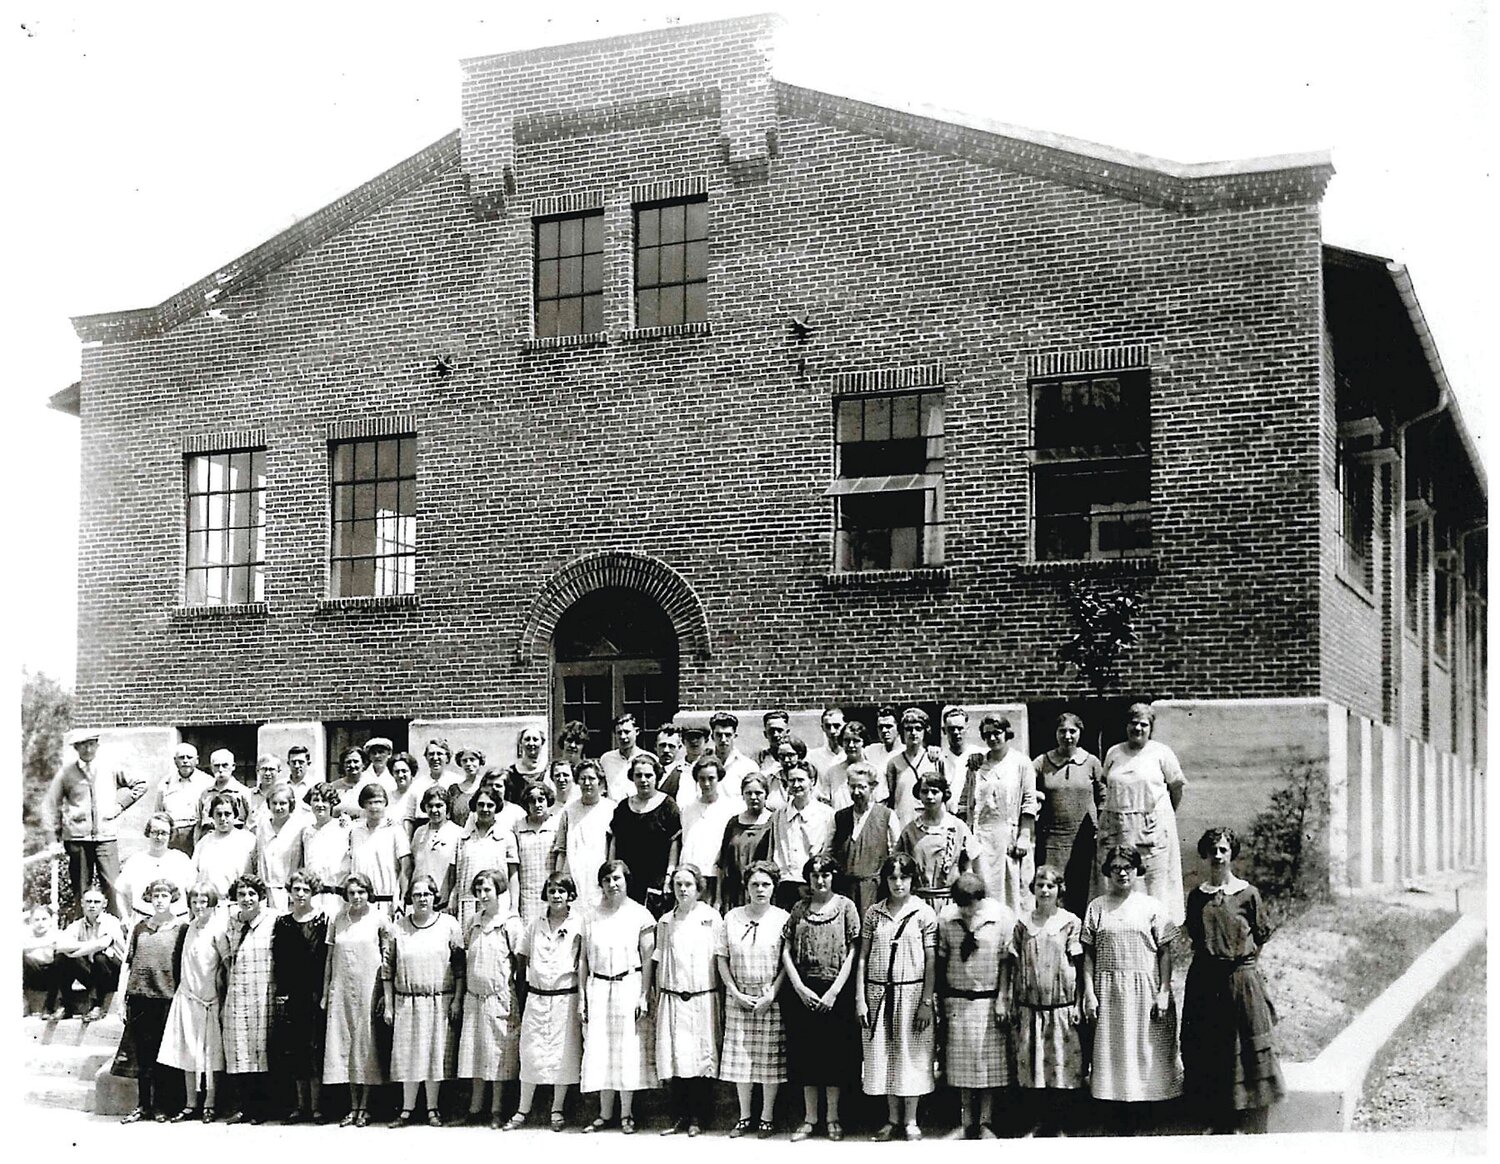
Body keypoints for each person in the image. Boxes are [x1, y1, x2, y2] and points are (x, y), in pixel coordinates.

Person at [1181, 827, 1285, 1134]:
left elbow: (1261, 934)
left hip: (1240, 979)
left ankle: (1243, 1120)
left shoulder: (1247, 894)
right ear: (1204, 854)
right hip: (1204, 981)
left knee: (1241, 1046)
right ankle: (1217, 1120)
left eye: (1223, 850)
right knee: (1208, 1044)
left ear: (1231, 855)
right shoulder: (1198, 896)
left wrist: (1246, 967)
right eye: (1212, 850)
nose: (1217, 856)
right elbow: (1196, 938)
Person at [1082, 845, 1183, 1132]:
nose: (1122, 872)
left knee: (1145, 1049)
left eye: (1127, 867)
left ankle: (1147, 1116)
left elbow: (1165, 952)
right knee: (1114, 1050)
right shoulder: (1097, 907)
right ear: (1108, 873)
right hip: (1109, 991)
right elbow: (1088, 955)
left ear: (1137, 870)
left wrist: (1163, 991)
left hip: (1145, 989)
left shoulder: (1151, 906)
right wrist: (1088, 992)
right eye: (1115, 868)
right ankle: (1116, 1115)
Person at [857, 852, 938, 1141]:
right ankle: (891, 1119)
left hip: (913, 992)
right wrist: (860, 998)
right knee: (883, 1055)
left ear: (912, 880)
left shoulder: (924, 913)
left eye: (904, 877)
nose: (898, 883)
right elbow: (863, 958)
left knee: (911, 1054)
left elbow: (931, 961)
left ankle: (911, 1120)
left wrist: (926, 1002)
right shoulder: (873, 913)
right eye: (893, 878)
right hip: (879, 992)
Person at [779, 855, 859, 1142]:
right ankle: (810, 1118)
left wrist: (836, 990)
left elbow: (853, 950)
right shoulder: (799, 908)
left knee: (834, 1056)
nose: (820, 880)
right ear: (808, 879)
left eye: (825, 874)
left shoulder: (846, 907)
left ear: (833, 876)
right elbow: (786, 950)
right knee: (806, 1056)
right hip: (804, 992)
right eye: (814, 876)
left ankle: (833, 1118)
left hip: (835, 991)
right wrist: (799, 987)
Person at [578, 859, 658, 1133]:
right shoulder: (589, 915)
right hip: (598, 987)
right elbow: (583, 961)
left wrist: (644, 995)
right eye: (607, 880)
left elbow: (648, 959)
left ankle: (626, 1114)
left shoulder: (640, 915)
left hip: (628, 985)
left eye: (617, 879)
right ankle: (604, 1113)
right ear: (600, 884)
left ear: (626, 881)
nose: (612, 885)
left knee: (626, 1050)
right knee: (600, 1048)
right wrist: (581, 998)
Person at [935, 871, 1016, 1139]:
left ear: (981, 899)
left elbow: (1006, 961)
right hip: (958, 999)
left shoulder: (1001, 917)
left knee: (987, 1065)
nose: (967, 912)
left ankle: (985, 1121)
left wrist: (1003, 997)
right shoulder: (947, 919)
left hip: (989, 999)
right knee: (961, 1066)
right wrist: (942, 998)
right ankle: (966, 1120)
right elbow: (942, 960)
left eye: (971, 906)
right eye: (962, 906)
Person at [1094, 703, 1188, 924]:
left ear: (1151, 728)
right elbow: (1107, 784)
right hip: (1120, 829)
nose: (1137, 728)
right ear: (1126, 726)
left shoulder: (1161, 753)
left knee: (1154, 882)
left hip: (1152, 829)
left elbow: (1176, 787)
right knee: (1124, 877)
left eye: (1143, 724)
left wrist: (1162, 816)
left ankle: (1159, 932)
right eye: (1133, 723)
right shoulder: (1114, 752)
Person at [1014, 863, 1087, 1135]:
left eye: (1051, 886)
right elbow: (1014, 964)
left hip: (1061, 1007)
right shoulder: (1023, 923)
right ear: (1033, 889)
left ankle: (1060, 1123)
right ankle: (1035, 1120)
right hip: (1030, 1008)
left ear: (1059, 890)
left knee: (1060, 1065)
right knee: (1033, 1066)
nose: (1045, 890)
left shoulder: (1070, 923)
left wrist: (1078, 1002)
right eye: (1040, 885)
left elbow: (1078, 966)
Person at [43, 728, 147, 919]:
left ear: (97, 745)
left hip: (106, 838)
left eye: (91, 744)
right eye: (83, 745)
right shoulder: (66, 773)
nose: (88, 749)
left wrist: (120, 806)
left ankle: (118, 934)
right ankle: (83, 936)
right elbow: (50, 806)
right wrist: (52, 839)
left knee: (114, 888)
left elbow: (141, 784)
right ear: (76, 748)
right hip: (77, 839)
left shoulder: (110, 768)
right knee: (82, 891)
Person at [387, 874, 465, 1127]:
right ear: (410, 898)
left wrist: (457, 1000)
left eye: (427, 894)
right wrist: (388, 1004)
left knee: (435, 1056)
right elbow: (387, 969)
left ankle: (433, 1109)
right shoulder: (398, 926)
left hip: (439, 1000)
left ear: (435, 897)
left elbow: (460, 967)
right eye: (417, 894)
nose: (422, 899)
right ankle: (407, 1109)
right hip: (407, 1000)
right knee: (408, 1056)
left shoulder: (449, 924)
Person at [717, 859, 787, 1138]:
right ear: (746, 887)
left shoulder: (782, 918)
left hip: (770, 995)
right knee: (741, 1059)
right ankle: (745, 1116)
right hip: (738, 995)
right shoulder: (731, 918)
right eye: (755, 884)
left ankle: (767, 1116)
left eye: (766, 884)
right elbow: (722, 958)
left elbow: (786, 962)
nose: (760, 889)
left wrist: (772, 993)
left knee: (769, 1061)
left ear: (774, 888)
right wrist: (734, 992)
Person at [653, 864, 724, 1136]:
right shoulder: (665, 921)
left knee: (701, 1059)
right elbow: (659, 959)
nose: (683, 889)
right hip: (673, 997)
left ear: (698, 888)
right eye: (678, 884)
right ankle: (680, 1116)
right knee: (677, 1058)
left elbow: (719, 958)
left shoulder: (711, 918)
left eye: (688, 885)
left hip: (703, 997)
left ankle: (699, 1117)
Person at [514, 871, 584, 1131]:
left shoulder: (579, 923)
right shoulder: (535, 924)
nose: (556, 895)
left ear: (570, 895)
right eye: (552, 890)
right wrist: (523, 992)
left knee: (563, 1057)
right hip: (537, 996)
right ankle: (522, 1110)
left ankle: (557, 1109)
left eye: (562, 891)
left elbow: (583, 962)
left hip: (565, 998)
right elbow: (521, 958)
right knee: (530, 1053)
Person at [112, 879, 186, 1123]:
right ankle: (143, 1106)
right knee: (142, 1057)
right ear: (149, 898)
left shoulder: (181, 929)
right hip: (140, 998)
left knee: (164, 1057)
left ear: (173, 898)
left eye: (165, 895)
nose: (160, 900)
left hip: (166, 998)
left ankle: (162, 1106)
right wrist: (123, 999)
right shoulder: (140, 928)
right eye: (156, 895)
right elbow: (129, 964)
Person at [322, 871, 390, 1127]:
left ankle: (366, 1107)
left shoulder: (379, 918)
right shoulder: (338, 919)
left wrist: (385, 993)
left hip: (369, 990)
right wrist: (327, 990)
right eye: (352, 893)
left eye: (361, 892)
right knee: (345, 1045)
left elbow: (387, 957)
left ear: (368, 892)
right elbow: (329, 958)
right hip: (342, 989)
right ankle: (352, 1106)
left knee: (366, 1045)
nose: (357, 897)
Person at [458, 868, 524, 1127]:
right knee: (475, 1054)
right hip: (474, 998)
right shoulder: (473, 921)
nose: (483, 895)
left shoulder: (510, 922)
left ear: (499, 891)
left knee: (498, 1054)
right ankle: (475, 1108)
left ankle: (497, 1109)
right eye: (479, 890)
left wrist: (513, 996)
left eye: (488, 890)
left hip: (500, 997)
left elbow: (519, 964)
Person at [157, 882, 226, 1121]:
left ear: (212, 904)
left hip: (210, 1000)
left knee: (211, 1054)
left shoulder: (218, 929)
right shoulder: (189, 928)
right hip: (187, 997)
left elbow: (225, 966)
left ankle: (210, 1102)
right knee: (188, 1051)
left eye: (204, 901)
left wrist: (220, 997)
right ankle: (190, 1103)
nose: (199, 906)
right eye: (195, 902)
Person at [218, 874, 278, 1124]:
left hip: (264, 991)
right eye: (242, 894)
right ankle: (243, 1106)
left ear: (260, 896)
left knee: (260, 1048)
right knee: (239, 1048)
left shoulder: (273, 920)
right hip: (238, 991)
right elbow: (226, 957)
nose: (247, 899)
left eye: (252, 894)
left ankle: (262, 1109)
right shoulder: (231, 922)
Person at [270, 868, 329, 1123]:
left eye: (306, 889)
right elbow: (278, 962)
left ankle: (316, 1107)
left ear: (313, 891)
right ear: (290, 892)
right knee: (294, 1050)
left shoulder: (323, 921)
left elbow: (326, 960)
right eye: (297, 889)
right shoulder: (282, 922)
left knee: (314, 1049)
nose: (301, 893)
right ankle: (299, 1105)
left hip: (315, 993)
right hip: (292, 994)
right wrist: (279, 993)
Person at [1032, 713, 1103, 918]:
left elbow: (1104, 795)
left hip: (1084, 837)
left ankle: (1080, 936)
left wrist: (1101, 825)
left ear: (1080, 733)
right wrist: (1037, 797)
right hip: (1053, 838)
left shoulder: (1091, 762)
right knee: (1053, 886)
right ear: (1055, 733)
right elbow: (1025, 783)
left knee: (1081, 888)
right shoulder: (1043, 761)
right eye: (1062, 731)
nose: (1068, 736)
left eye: (1073, 731)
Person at [964, 714, 1036, 913]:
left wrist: (1024, 835)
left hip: (1009, 836)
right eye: (987, 735)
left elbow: (1029, 802)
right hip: (982, 837)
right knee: (985, 891)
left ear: (1007, 733)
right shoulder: (977, 765)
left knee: (1012, 892)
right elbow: (967, 801)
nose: (992, 738)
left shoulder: (1021, 763)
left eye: (997, 733)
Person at [608, 754, 681, 914]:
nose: (643, 780)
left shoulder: (668, 805)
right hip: (627, 882)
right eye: (638, 775)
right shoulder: (623, 808)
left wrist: (669, 876)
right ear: (632, 778)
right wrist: (611, 873)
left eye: (648, 775)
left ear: (656, 777)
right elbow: (615, 840)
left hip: (656, 883)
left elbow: (674, 844)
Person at [898, 771, 983, 907]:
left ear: (944, 794)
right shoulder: (910, 830)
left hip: (952, 902)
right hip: (919, 902)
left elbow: (969, 868)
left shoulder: (958, 827)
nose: (929, 796)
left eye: (935, 791)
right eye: (924, 792)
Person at [830, 762, 901, 921]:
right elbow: (829, 852)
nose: (856, 792)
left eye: (861, 787)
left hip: (875, 890)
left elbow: (895, 854)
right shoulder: (839, 817)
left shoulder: (887, 816)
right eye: (852, 787)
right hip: (845, 890)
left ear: (873, 787)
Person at [51, 885, 127, 1019]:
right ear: (82, 903)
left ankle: (97, 1006)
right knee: (61, 958)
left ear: (104, 904)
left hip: (114, 974)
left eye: (96, 902)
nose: (92, 905)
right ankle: (65, 1006)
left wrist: (74, 952)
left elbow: (102, 943)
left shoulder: (111, 921)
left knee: (100, 957)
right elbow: (59, 945)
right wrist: (76, 951)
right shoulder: (78, 925)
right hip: (93, 974)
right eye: (88, 902)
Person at [551, 759, 615, 917]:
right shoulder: (569, 811)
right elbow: (562, 849)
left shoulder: (611, 808)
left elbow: (614, 846)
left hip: (599, 877)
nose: (587, 783)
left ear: (599, 781)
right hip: (574, 876)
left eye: (592, 779)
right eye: (583, 779)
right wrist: (559, 881)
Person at [769, 760, 835, 909]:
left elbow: (828, 849)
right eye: (792, 780)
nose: (796, 784)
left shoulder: (826, 814)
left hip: (813, 882)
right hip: (785, 883)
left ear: (812, 782)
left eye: (801, 780)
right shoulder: (779, 815)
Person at [452, 786, 520, 928]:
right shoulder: (463, 837)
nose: (485, 809)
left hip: (498, 901)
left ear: (497, 807)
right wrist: (453, 897)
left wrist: (514, 907)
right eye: (481, 805)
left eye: (490, 805)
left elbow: (513, 875)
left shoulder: (506, 836)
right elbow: (456, 873)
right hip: (469, 902)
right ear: (475, 806)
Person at [678, 756, 740, 909]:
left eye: (711, 778)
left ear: (718, 778)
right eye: (702, 779)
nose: (706, 784)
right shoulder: (688, 809)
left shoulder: (731, 808)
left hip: (715, 877)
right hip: (690, 876)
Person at [347, 782, 412, 918]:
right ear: (363, 805)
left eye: (379, 802)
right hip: (360, 902)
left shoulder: (396, 830)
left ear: (385, 803)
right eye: (370, 803)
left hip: (388, 903)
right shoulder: (355, 832)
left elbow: (405, 868)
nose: (374, 807)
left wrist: (401, 900)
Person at [117, 813, 194, 921]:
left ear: (170, 835)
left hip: (177, 924)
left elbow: (194, 893)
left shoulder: (181, 859)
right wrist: (125, 917)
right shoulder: (136, 860)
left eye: (164, 833)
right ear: (148, 833)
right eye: (155, 832)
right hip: (142, 924)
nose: (159, 837)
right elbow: (120, 892)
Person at [717, 773, 775, 912]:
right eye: (748, 793)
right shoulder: (733, 823)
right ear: (742, 795)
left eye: (758, 793)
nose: (753, 797)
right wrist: (718, 897)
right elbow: (722, 864)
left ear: (766, 794)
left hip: (761, 891)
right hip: (734, 892)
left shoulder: (774, 821)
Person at [192, 794, 257, 905]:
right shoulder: (204, 842)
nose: (223, 818)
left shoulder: (249, 840)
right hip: (209, 903)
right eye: (218, 814)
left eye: (227, 814)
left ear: (235, 815)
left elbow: (256, 873)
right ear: (212, 816)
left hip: (239, 903)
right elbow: (193, 873)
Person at [883, 707, 941, 827]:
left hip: (930, 822)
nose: (913, 733)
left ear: (925, 731)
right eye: (909, 729)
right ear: (902, 732)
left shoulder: (934, 759)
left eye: (918, 729)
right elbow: (890, 797)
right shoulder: (894, 763)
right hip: (903, 821)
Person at [513, 782, 560, 926]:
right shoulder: (518, 827)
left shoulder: (556, 824)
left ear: (548, 801)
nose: (537, 804)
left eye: (541, 800)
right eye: (532, 801)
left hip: (552, 891)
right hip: (527, 894)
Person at [301, 782, 351, 916]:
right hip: (314, 896)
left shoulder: (344, 827)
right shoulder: (307, 832)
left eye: (325, 801)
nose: (320, 805)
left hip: (338, 895)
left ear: (332, 803)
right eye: (316, 800)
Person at [411, 786, 462, 911]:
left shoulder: (458, 833)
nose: (434, 810)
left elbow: (459, 871)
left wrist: (453, 896)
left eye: (439, 805)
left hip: (444, 903)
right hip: (420, 901)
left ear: (447, 807)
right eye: (430, 805)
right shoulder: (419, 832)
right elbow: (412, 866)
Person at [256, 785, 307, 911]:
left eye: (283, 803)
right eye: (274, 803)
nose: (278, 808)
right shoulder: (263, 825)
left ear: (291, 804)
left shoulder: (299, 827)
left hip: (288, 892)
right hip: (265, 892)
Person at [818, 721, 887, 809]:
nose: (851, 745)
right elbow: (825, 804)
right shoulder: (832, 772)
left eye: (856, 741)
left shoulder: (876, 772)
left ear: (863, 742)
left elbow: (880, 804)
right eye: (847, 740)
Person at [156, 744, 210, 855]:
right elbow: (158, 813)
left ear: (197, 760)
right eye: (181, 757)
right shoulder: (165, 783)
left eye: (189, 757)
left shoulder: (207, 782)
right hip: (172, 834)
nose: (185, 761)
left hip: (197, 833)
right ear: (175, 761)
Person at [193, 749, 253, 839]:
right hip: (209, 840)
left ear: (233, 766)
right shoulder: (205, 794)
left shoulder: (243, 792)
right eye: (216, 766)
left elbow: (250, 822)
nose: (220, 770)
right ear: (211, 768)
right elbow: (198, 823)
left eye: (225, 765)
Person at [937, 705, 985, 815]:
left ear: (967, 729)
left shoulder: (980, 754)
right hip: (948, 816)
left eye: (960, 728)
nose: (956, 732)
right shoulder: (940, 758)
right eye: (951, 729)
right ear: (944, 730)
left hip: (973, 816)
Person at [22, 904, 63, 1016]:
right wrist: (46, 944)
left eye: (44, 919)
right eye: (36, 920)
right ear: (30, 921)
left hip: (51, 977)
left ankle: (52, 1005)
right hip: (31, 976)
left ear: (50, 920)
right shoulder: (25, 936)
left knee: (61, 958)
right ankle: (22, 1000)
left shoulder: (57, 935)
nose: (40, 923)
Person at [601, 713, 652, 801]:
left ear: (637, 732)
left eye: (627, 732)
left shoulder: (649, 759)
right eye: (619, 733)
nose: (623, 737)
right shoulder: (606, 759)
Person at [709, 711, 761, 789]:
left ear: (735, 737)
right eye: (719, 735)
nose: (723, 739)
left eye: (728, 735)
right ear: (712, 737)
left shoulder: (748, 766)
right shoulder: (703, 764)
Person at [504, 728, 551, 806]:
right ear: (520, 742)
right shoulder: (511, 773)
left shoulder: (549, 770)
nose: (531, 743)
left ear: (542, 743)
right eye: (527, 739)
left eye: (535, 739)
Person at [444, 747, 486, 829]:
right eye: (464, 760)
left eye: (472, 759)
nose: (468, 763)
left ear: (480, 761)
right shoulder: (454, 790)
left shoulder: (486, 786)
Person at [806, 707, 848, 781]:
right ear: (823, 728)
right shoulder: (813, 756)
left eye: (836, 726)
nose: (832, 731)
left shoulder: (852, 754)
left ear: (845, 726)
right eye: (828, 726)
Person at [654, 724, 690, 801]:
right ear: (655, 747)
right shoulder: (649, 770)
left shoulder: (683, 774)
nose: (666, 750)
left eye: (671, 746)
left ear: (679, 748)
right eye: (662, 745)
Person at [869, 706, 902, 770]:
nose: (884, 730)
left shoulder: (906, 752)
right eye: (881, 727)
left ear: (898, 728)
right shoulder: (871, 751)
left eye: (888, 726)